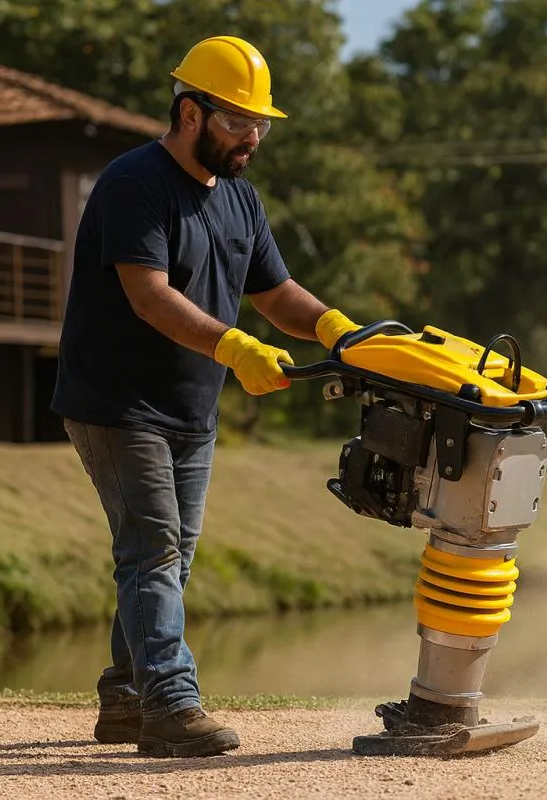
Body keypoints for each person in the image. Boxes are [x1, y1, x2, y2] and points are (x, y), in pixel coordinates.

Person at [50, 35, 360, 758]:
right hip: (117, 403)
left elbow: (276, 293)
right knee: (153, 550)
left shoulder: (241, 201)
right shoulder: (135, 184)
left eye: (261, 124)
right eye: (237, 122)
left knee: (171, 556)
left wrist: (340, 332)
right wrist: (232, 346)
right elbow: (149, 297)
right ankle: (170, 706)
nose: (253, 138)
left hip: (192, 408)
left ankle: (127, 696)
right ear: (190, 112)